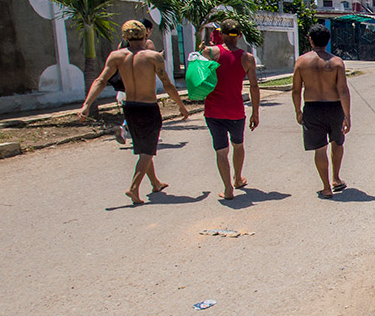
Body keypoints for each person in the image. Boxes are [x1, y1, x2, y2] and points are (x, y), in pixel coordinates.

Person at [78, 20, 190, 205]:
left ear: (124, 37)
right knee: (148, 149)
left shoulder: (116, 56)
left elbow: (100, 80)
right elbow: (168, 84)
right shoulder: (153, 57)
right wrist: (180, 105)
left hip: (130, 106)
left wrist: (86, 104)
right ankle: (133, 187)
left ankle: (155, 183)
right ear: (146, 36)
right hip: (148, 106)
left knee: (142, 146)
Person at [201, 19, 260, 200]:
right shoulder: (248, 58)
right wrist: (255, 112)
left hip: (213, 110)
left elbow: (200, 76)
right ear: (240, 35)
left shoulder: (209, 52)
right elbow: (254, 87)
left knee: (221, 150)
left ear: (222, 34)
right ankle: (237, 178)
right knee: (238, 145)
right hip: (236, 111)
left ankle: (227, 189)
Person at [291, 23, 351, 198]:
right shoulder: (337, 62)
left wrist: (297, 111)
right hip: (334, 107)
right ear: (328, 40)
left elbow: (296, 89)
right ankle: (336, 178)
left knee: (319, 148)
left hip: (312, 107)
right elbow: (343, 90)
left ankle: (326, 187)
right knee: (338, 143)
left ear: (310, 39)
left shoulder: (301, 61)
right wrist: (347, 115)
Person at [111, 19, 157, 145]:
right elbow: (153, 62)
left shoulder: (122, 45)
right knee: (144, 113)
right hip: (142, 85)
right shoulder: (148, 43)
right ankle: (133, 133)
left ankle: (126, 130)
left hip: (124, 84)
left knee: (130, 109)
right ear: (146, 30)